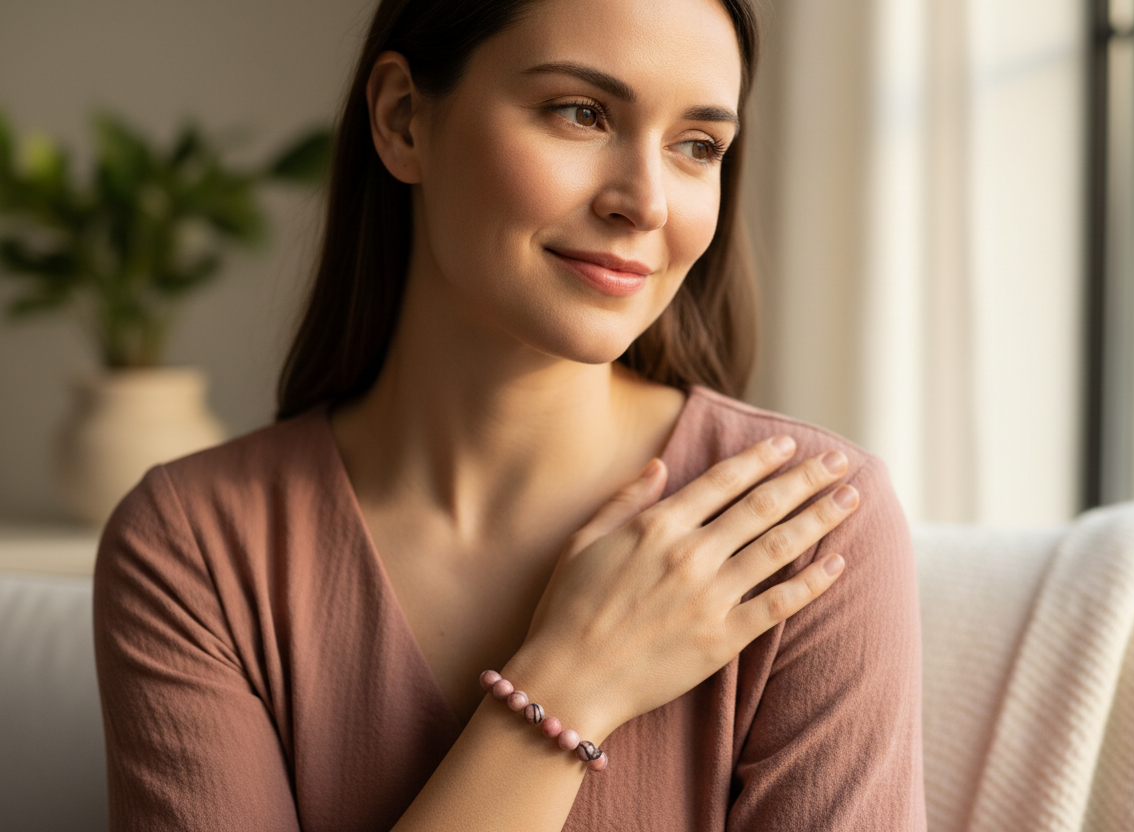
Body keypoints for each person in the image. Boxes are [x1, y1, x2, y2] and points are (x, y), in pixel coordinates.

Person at [93, 0, 926, 829]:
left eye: (697, 146)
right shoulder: (192, 546)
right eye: (581, 112)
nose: (646, 203)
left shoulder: (808, 527)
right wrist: (571, 683)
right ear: (403, 120)